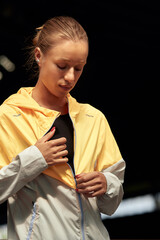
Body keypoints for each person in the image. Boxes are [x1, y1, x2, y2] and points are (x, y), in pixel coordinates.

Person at [0, 16, 125, 240]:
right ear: (39, 55)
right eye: (62, 66)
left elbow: (111, 206)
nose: (70, 77)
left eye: (78, 68)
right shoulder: (8, 117)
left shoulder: (94, 118)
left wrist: (107, 183)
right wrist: (34, 159)